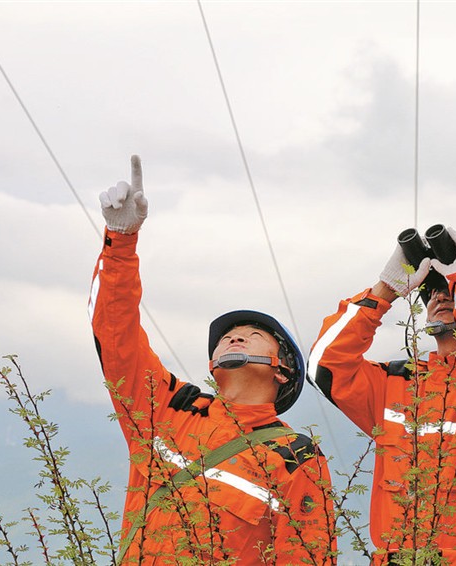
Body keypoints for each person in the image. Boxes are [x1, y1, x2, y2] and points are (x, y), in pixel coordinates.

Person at [88, 155, 336, 565]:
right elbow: (115, 336)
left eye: (253, 335)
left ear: (283, 370)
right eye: (225, 338)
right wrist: (121, 241)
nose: (233, 337)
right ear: (211, 368)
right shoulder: (168, 409)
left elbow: (308, 557)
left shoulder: (296, 456)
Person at [307, 225, 456, 565]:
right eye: (434, 290)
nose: (441, 296)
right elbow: (323, 366)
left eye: (452, 288)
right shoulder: (395, 384)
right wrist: (384, 290)